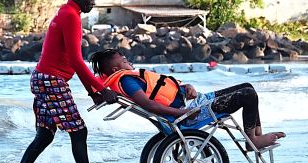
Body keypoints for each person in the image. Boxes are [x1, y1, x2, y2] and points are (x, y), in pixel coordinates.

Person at [13, 0, 115, 163]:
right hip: (51, 80)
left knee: (44, 136)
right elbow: (77, 61)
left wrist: (92, 92)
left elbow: (72, 61)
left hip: (42, 78)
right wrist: (102, 89)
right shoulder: (70, 16)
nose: (93, 4)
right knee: (79, 131)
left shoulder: (66, 12)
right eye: (90, 0)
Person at [91, 50, 286, 150]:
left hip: (192, 104)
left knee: (248, 87)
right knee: (248, 95)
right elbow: (150, 105)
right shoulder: (127, 81)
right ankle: (252, 140)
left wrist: (184, 88)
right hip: (189, 114)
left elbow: (159, 92)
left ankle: (257, 135)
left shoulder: (129, 78)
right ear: (116, 70)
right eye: (124, 61)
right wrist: (181, 113)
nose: (128, 61)